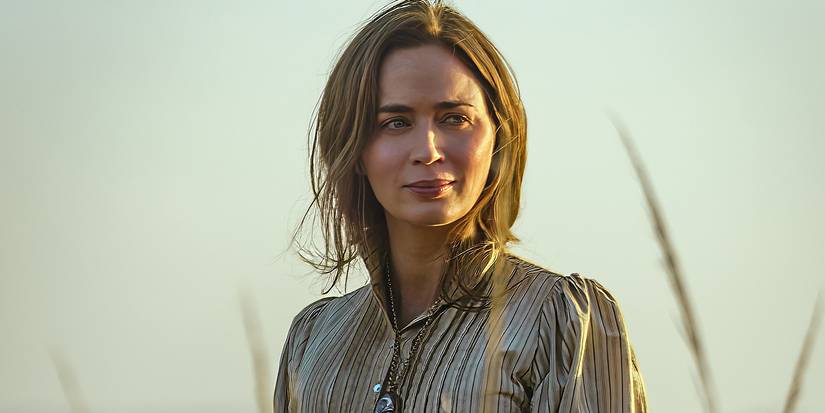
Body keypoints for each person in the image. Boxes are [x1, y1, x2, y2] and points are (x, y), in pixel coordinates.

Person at [274, 1, 648, 411]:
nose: (428, 151)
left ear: (498, 138)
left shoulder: (560, 323)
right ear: (356, 149)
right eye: (396, 122)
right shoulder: (314, 342)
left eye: (454, 119)